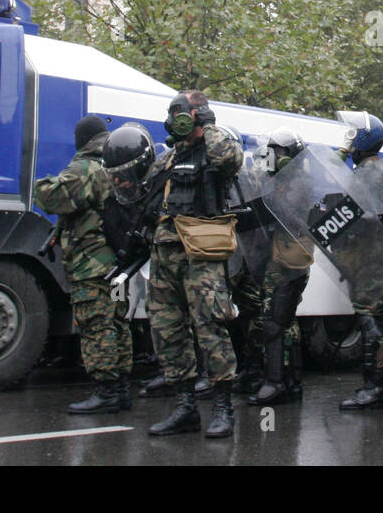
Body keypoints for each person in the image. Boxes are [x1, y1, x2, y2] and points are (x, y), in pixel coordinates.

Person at [145, 91, 244, 438]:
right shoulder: (168, 159)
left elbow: (229, 157)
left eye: (181, 114)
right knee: (167, 331)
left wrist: (207, 123)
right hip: (165, 252)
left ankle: (223, 408)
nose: (175, 120)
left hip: (202, 253)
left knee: (210, 328)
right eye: (172, 115)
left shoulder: (217, 150)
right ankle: (185, 407)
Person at [33, 114, 134, 414]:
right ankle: (122, 388)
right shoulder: (118, 164)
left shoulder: (85, 168)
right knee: (117, 322)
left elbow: (49, 197)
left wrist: (43, 181)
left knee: (95, 323)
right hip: (118, 263)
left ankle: (106, 392)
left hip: (92, 265)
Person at [336, 110, 383, 410]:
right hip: (371, 255)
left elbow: (371, 216)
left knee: (369, 317)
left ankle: (373, 386)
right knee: (376, 317)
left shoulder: (369, 173)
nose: (347, 138)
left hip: (369, 256)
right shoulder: (373, 169)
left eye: (352, 133)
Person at [248, 128, 314, 407]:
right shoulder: (285, 181)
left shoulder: (299, 182)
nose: (274, 157)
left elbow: (287, 216)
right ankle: (290, 381)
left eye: (280, 152)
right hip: (282, 258)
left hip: (288, 261)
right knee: (285, 323)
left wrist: (266, 187)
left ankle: (276, 383)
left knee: (274, 321)